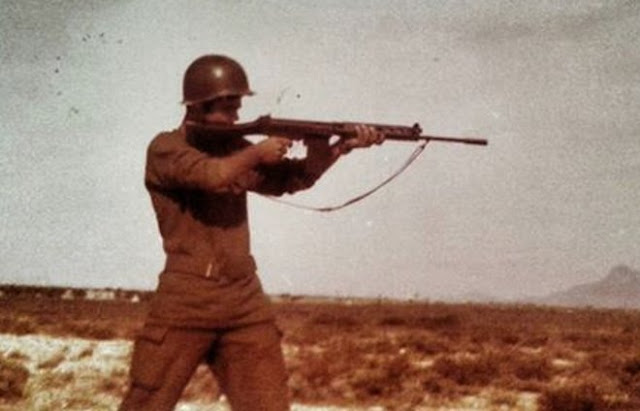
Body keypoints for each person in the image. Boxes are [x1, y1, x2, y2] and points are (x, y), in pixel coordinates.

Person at [119, 54, 384, 411]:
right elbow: (211, 176)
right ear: (197, 106)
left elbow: (291, 180)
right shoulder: (167, 148)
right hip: (186, 300)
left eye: (238, 107)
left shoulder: (234, 149)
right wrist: (257, 152)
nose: (236, 116)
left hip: (244, 300)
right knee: (147, 403)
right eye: (228, 107)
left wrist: (337, 149)